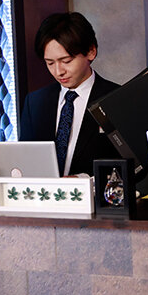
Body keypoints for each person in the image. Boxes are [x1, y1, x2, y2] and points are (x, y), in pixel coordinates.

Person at [19, 12, 119, 175]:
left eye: (66, 61)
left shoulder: (117, 98)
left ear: (91, 52)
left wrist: (85, 180)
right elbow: (25, 160)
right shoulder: (35, 102)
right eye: (50, 63)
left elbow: (136, 169)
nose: (58, 71)